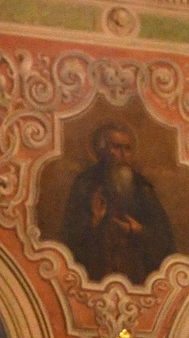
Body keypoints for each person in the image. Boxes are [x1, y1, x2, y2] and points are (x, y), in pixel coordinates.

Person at [61, 121, 177, 285]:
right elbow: (69, 234)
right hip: (96, 269)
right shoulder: (86, 183)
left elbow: (163, 235)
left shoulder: (141, 186)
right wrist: (94, 220)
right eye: (116, 147)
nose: (123, 154)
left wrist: (137, 230)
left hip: (135, 272)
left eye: (127, 148)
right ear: (102, 149)